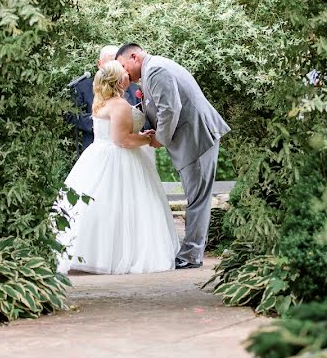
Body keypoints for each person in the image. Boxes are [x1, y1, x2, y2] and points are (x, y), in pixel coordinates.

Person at [56, 61, 179, 274]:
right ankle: (122, 255)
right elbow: (121, 140)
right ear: (117, 79)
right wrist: (148, 140)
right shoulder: (119, 105)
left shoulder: (100, 101)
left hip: (97, 155)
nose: (127, 74)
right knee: (128, 205)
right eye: (123, 72)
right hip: (120, 157)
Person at [116, 44, 230, 269]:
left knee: (197, 198)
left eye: (122, 65)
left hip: (197, 138)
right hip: (191, 139)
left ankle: (191, 256)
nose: (123, 71)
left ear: (134, 56)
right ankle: (191, 252)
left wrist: (159, 138)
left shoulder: (157, 70)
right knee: (195, 196)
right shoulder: (151, 72)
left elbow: (169, 109)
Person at [66, 45, 143, 153]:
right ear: (99, 64)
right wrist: (100, 124)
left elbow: (143, 117)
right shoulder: (82, 88)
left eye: (117, 65)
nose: (113, 69)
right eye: (109, 63)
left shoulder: (135, 89)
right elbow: (72, 115)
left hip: (130, 150)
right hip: (95, 148)